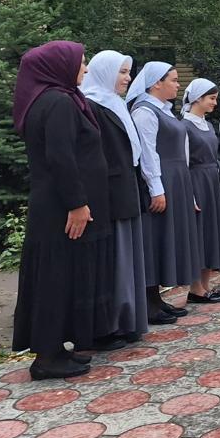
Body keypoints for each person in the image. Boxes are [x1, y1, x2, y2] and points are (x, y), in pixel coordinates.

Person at [13, 41, 115, 379]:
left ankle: (56, 348)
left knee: (65, 276)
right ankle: (46, 358)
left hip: (60, 205)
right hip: (60, 208)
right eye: (81, 62)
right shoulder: (57, 102)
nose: (84, 68)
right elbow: (60, 157)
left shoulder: (61, 98)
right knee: (55, 279)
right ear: (58, 67)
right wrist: (77, 203)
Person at [81, 50, 147, 347]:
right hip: (107, 194)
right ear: (105, 72)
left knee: (127, 256)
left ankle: (127, 319)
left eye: (128, 72)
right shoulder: (91, 105)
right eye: (122, 72)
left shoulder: (115, 103)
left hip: (125, 188)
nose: (128, 78)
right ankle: (110, 323)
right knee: (115, 259)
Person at [128, 62, 201, 324]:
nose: (178, 85)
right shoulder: (144, 111)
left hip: (176, 178)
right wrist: (156, 188)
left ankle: (157, 298)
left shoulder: (163, 109)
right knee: (154, 238)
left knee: (166, 237)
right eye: (173, 80)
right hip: (161, 179)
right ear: (156, 83)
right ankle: (148, 302)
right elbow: (148, 152)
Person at [181, 79, 220, 303]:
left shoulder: (208, 125)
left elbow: (215, 159)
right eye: (211, 98)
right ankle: (195, 289)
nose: (214, 102)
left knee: (211, 233)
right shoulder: (185, 126)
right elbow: (184, 162)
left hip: (211, 181)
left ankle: (205, 285)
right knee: (199, 234)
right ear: (197, 98)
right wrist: (190, 195)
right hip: (196, 182)